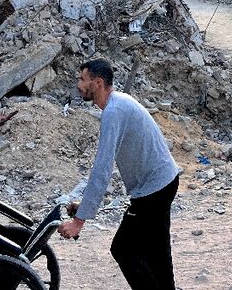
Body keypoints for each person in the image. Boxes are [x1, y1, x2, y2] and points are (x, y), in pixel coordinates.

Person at [58, 58, 180, 289]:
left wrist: (79, 221)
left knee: (123, 249)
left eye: (82, 79)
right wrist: (84, 206)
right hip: (165, 180)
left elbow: (102, 169)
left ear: (98, 82)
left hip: (154, 188)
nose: (78, 84)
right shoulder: (118, 103)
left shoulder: (113, 112)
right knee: (156, 252)